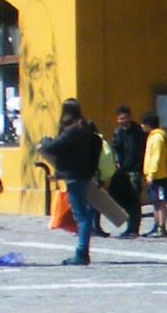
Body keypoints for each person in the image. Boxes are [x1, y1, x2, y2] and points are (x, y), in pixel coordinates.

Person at [36, 100, 102, 266]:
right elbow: (97, 145)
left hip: (73, 175)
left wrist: (44, 141)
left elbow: (54, 147)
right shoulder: (86, 128)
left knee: (81, 215)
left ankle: (82, 253)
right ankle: (82, 251)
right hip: (85, 175)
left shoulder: (73, 130)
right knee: (84, 213)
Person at [108, 105, 147, 239]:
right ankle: (129, 224)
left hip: (135, 170)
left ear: (129, 117)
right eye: (120, 119)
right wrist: (117, 162)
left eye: (124, 118)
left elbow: (142, 150)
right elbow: (115, 148)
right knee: (122, 198)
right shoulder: (117, 132)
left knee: (134, 199)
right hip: (122, 171)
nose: (122, 121)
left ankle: (134, 227)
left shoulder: (138, 132)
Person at [140, 112, 167, 238]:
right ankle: (156, 226)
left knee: (160, 202)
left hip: (159, 177)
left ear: (148, 125)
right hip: (155, 176)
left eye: (143, 124)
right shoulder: (152, 136)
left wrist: (151, 174)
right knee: (155, 202)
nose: (142, 126)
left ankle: (161, 227)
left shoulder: (157, 138)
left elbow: (156, 157)